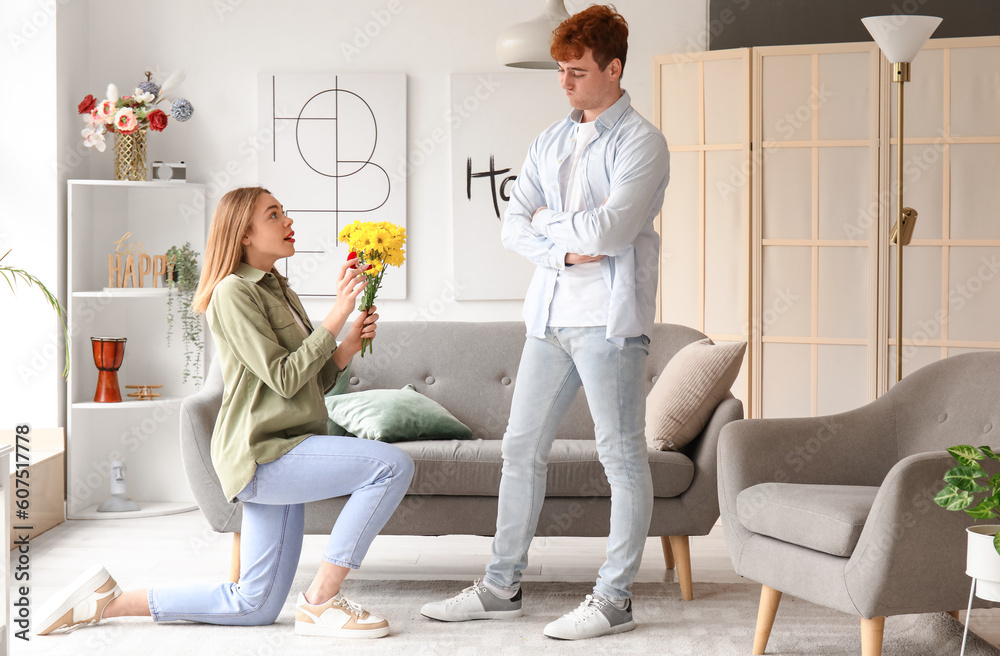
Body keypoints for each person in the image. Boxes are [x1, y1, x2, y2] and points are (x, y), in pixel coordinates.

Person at [37, 186, 414, 640]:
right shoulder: (232, 292)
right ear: (244, 235)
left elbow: (309, 385)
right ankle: (321, 601)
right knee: (391, 466)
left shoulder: (279, 287)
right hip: (264, 454)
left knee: (252, 606)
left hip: (291, 446)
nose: (288, 221)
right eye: (274, 214)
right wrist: (335, 317)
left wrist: (346, 345)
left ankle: (108, 602)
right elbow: (283, 376)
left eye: (284, 210)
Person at [421, 5, 669, 641]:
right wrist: (563, 244)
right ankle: (502, 586)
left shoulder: (642, 143)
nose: (564, 82)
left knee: (620, 457)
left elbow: (612, 232)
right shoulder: (550, 140)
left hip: (609, 325)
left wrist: (548, 228)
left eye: (578, 71)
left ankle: (614, 599)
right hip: (549, 317)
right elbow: (513, 224)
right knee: (520, 450)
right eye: (560, 69)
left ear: (613, 69)